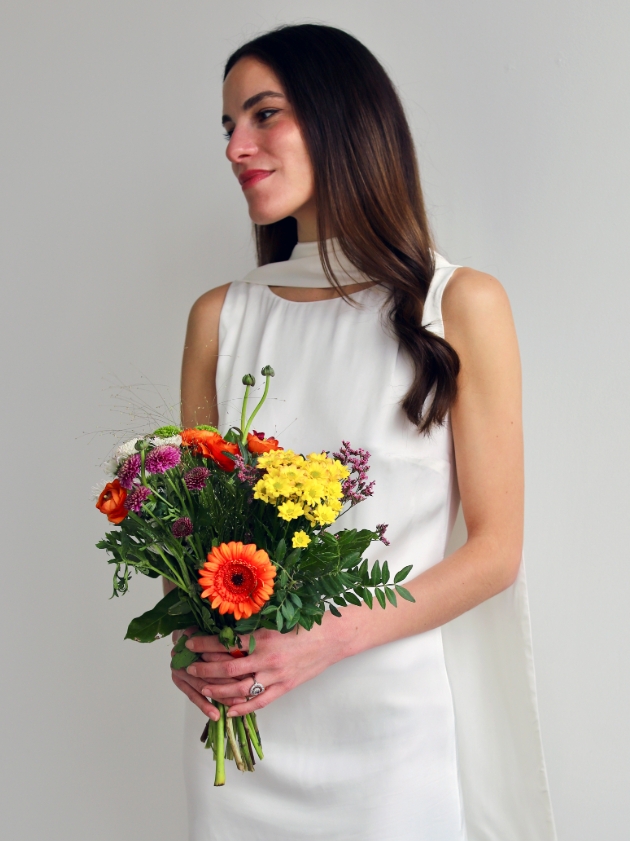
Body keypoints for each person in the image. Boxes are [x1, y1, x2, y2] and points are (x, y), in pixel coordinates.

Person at [171, 23, 556, 841]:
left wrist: (323, 640)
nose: (238, 146)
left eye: (263, 115)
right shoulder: (220, 318)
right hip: (244, 742)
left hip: (392, 735)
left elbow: (495, 550)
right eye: (228, 126)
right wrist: (191, 641)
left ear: (342, 116)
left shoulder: (459, 305)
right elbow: (196, 540)